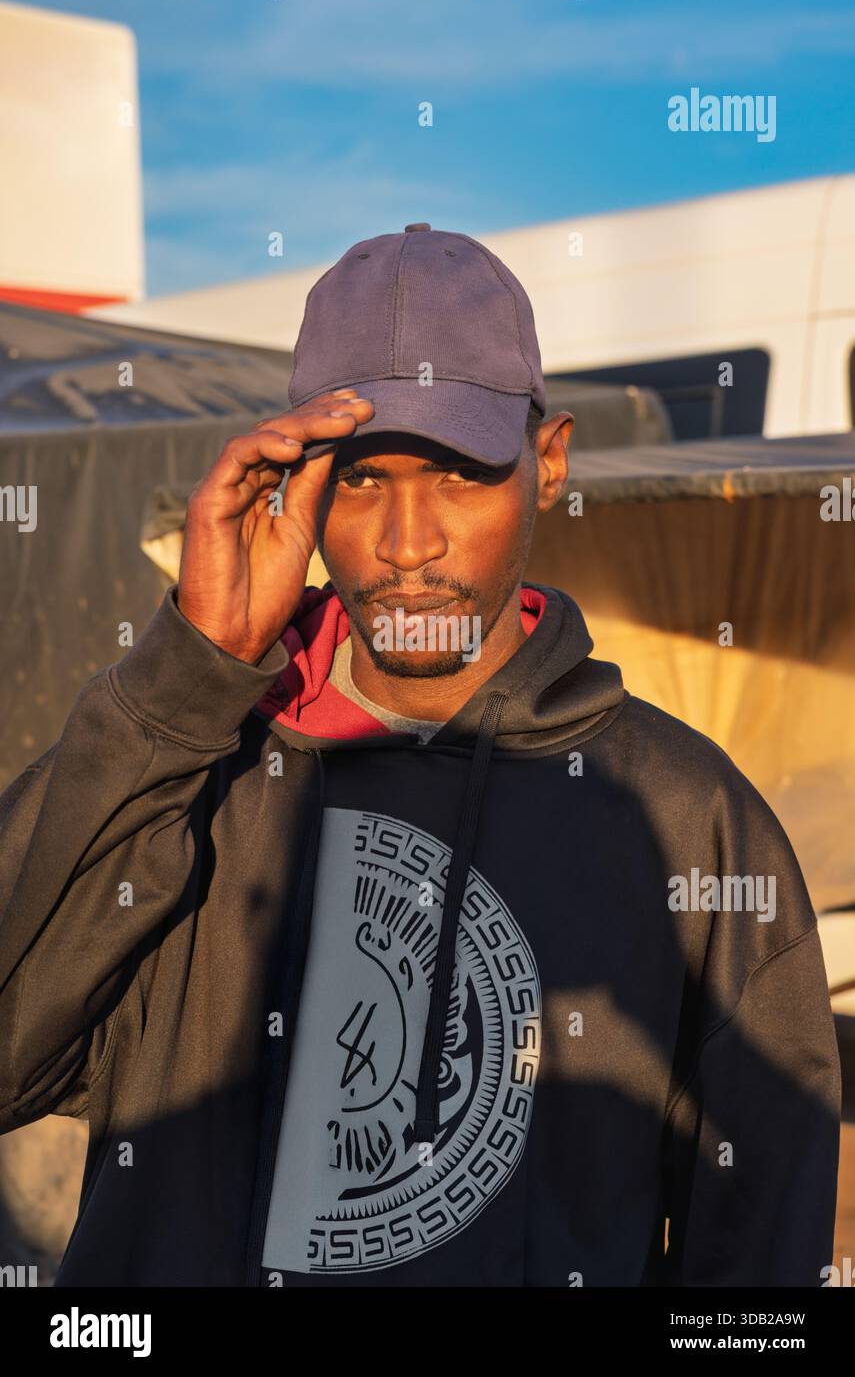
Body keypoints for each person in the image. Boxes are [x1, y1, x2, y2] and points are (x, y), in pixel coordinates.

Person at [0, 223, 840, 1288]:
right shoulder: (186, 768)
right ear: (290, 485)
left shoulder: (684, 818)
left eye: (457, 475)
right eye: (360, 480)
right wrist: (183, 681)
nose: (408, 543)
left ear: (547, 464)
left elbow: (756, 1252)